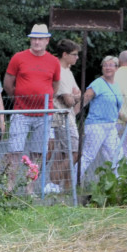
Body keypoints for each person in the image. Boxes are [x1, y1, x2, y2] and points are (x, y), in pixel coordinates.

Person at [3, 24, 61, 184]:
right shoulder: (18, 58)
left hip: (44, 114)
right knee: (14, 150)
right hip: (21, 112)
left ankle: (29, 189)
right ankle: (10, 187)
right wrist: (21, 97)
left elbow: (55, 85)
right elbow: (8, 84)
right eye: (34, 38)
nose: (37, 42)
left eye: (40, 39)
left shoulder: (53, 61)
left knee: (37, 153)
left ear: (47, 40)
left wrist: (44, 97)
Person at [80, 56, 123, 175]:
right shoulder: (98, 83)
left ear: (116, 68)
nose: (108, 68)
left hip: (111, 125)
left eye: (111, 65)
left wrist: (124, 117)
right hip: (96, 124)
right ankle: (73, 182)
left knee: (117, 155)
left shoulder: (116, 85)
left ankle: (118, 183)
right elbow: (85, 100)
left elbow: (114, 105)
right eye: (105, 65)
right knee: (89, 156)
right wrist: (72, 114)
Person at [50, 39, 82, 190]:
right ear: (65, 54)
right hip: (61, 118)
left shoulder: (68, 71)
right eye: (74, 54)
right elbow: (69, 100)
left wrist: (75, 96)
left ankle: (67, 187)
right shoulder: (60, 72)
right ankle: (53, 181)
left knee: (65, 153)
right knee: (74, 152)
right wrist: (74, 97)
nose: (77, 58)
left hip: (69, 117)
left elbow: (78, 93)